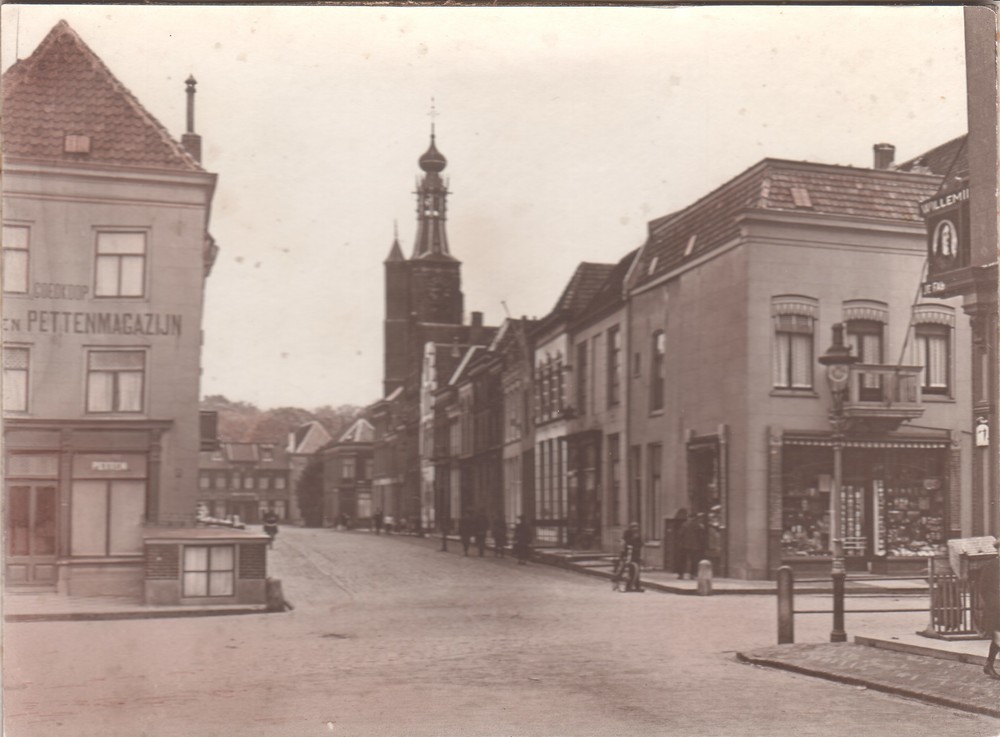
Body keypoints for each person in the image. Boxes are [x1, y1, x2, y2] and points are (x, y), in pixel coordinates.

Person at [978, 549, 1000, 679]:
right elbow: (983, 588)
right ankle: (989, 664)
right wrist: (995, 603)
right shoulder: (990, 566)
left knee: (998, 639)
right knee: (998, 637)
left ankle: (989, 664)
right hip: (995, 609)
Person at [678, 513, 707, 580]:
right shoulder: (699, 525)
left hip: (684, 545)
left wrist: (681, 543)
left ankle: (681, 574)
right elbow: (701, 537)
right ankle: (693, 574)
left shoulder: (684, 524)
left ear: (689, 517)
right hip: (695, 546)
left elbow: (680, 534)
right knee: (694, 560)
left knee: (683, 560)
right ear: (695, 517)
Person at [619, 521, 644, 592]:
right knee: (630, 571)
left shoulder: (638, 534)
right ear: (630, 528)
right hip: (628, 554)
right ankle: (628, 586)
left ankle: (637, 586)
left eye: (636, 527)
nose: (635, 528)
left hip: (636, 554)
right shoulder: (627, 533)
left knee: (637, 571)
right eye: (633, 527)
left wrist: (640, 553)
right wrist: (623, 554)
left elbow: (641, 544)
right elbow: (624, 543)